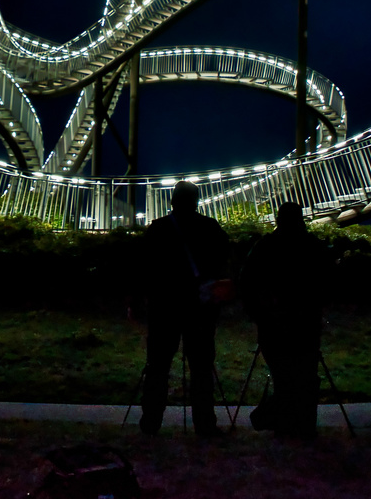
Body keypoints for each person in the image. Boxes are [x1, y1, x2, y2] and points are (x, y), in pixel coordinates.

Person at [139, 180, 230, 437]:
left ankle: (151, 421)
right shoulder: (209, 228)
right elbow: (223, 259)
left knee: (157, 366)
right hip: (199, 307)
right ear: (197, 201)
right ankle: (204, 423)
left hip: (164, 307)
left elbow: (144, 267)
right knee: (201, 367)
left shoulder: (158, 229)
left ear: (172, 201)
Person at [239, 202, 330, 438]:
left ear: (278, 219)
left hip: (273, 321)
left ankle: (282, 423)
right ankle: (303, 424)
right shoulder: (313, 246)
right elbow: (327, 282)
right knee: (306, 374)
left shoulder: (265, 246)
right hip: (306, 322)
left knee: (283, 375)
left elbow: (246, 281)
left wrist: (258, 313)